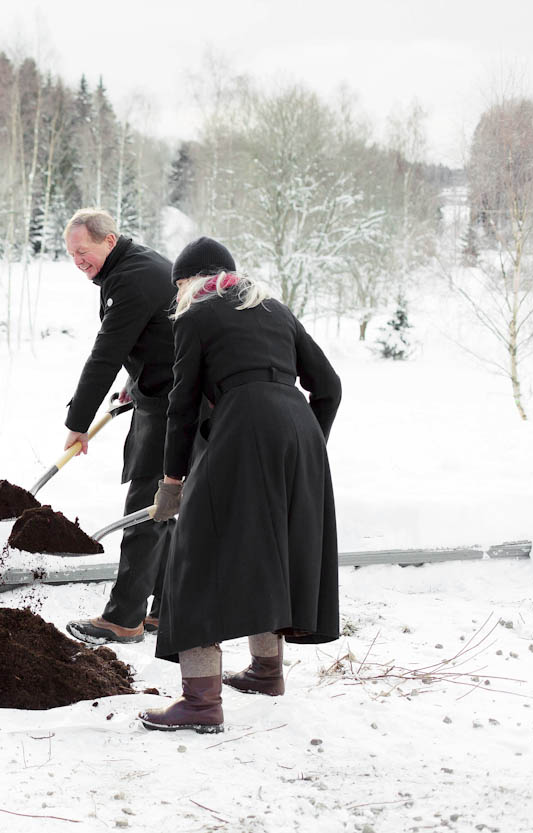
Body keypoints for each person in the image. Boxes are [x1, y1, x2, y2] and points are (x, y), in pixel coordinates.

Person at [141, 236, 341, 734]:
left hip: (247, 428)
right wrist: (306, 443)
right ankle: (267, 672)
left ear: (187, 283)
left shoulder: (195, 314)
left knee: (196, 555)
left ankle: (201, 704)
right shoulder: (273, 307)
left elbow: (182, 406)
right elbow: (330, 387)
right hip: (300, 430)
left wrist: (171, 480)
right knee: (267, 547)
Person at [58, 209, 182, 646]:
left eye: (83, 251)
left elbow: (106, 353)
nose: (77, 260)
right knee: (166, 508)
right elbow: (156, 335)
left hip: (174, 405)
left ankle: (124, 618)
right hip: (170, 395)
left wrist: (78, 422)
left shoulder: (131, 278)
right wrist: (137, 381)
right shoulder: (134, 266)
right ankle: (164, 613)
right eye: (71, 253)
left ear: (108, 241)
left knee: (148, 506)